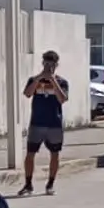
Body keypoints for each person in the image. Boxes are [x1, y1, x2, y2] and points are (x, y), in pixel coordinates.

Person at [18, 50, 69, 197]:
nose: (49, 67)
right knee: (30, 154)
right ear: (42, 63)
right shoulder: (34, 79)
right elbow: (27, 93)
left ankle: (50, 184)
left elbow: (62, 99)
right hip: (37, 123)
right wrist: (39, 78)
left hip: (54, 123)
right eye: (46, 64)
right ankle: (28, 184)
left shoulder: (62, 82)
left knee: (55, 153)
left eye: (52, 64)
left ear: (56, 65)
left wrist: (52, 80)